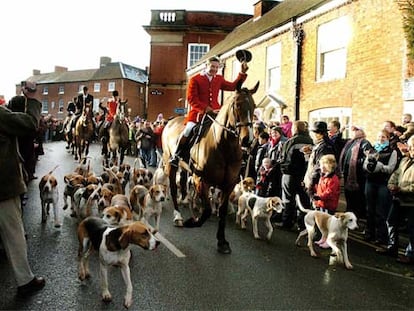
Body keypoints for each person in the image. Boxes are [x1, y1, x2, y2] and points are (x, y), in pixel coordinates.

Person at [0, 80, 45, 296]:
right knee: (14, 234)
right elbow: (29, 124)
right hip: (3, 187)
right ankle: (25, 281)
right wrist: (34, 99)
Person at [169, 56, 249, 167]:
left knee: (228, 130)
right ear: (206, 66)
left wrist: (242, 73)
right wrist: (206, 109)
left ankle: (236, 157)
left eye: (217, 67)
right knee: (188, 130)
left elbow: (233, 86)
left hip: (216, 112)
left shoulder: (219, 79)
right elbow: (191, 99)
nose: (215, 69)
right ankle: (177, 155)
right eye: (212, 66)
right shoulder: (195, 79)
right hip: (198, 114)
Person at [363, 129, 398, 245]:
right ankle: (369, 233)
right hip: (370, 181)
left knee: (381, 211)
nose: (380, 139)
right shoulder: (372, 150)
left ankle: (381, 236)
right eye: (379, 137)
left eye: (383, 137)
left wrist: (380, 166)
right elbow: (365, 166)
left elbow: (390, 169)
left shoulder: (392, 152)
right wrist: (369, 166)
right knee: (369, 209)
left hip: (382, 183)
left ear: (388, 138)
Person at [278, 120, 313, 230]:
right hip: (305, 175)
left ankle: (287, 223)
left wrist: (284, 170)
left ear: (295, 129)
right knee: (304, 201)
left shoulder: (292, 141)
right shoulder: (311, 141)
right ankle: (302, 225)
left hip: (290, 175)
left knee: (288, 200)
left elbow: (284, 159)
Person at [385, 135, 414, 264]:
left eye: (412, 147)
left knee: (412, 229)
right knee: (391, 221)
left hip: (411, 201)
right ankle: (392, 248)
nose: (409, 149)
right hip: (398, 199)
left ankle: (410, 254)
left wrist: (401, 189)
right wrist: (391, 185)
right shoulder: (405, 160)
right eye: (410, 146)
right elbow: (395, 174)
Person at [339, 126, 372, 221]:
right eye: (353, 130)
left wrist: (357, 161)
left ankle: (358, 215)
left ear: (362, 132)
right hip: (347, 173)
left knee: (357, 196)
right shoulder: (350, 142)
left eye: (356, 130)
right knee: (348, 194)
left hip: (358, 174)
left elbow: (368, 157)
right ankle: (350, 211)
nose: (354, 132)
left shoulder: (365, 143)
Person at [303, 121, 335, 198]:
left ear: (319, 134)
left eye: (313, 133)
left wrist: (311, 183)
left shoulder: (324, 147)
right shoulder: (320, 145)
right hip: (317, 181)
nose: (312, 135)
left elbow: (319, 167)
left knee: (317, 207)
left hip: (319, 183)